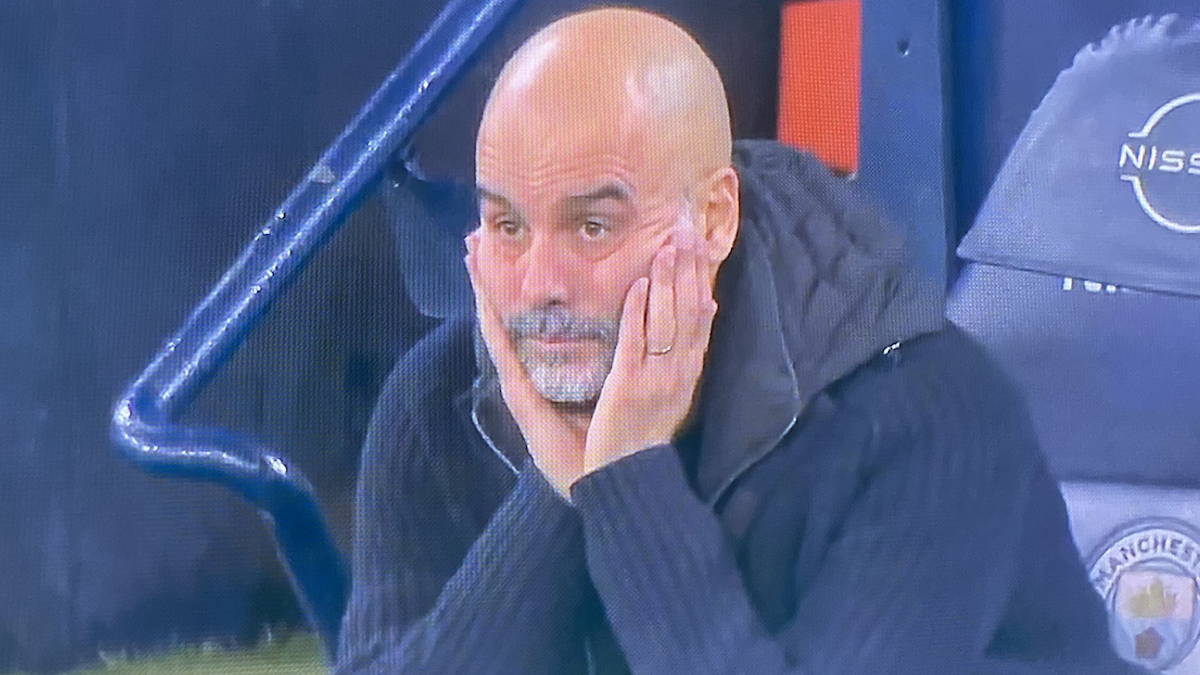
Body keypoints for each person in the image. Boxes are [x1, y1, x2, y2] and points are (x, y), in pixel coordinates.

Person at [334, 7, 1142, 674]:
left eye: (592, 226)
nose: (539, 283)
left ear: (715, 219)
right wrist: (559, 482)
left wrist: (625, 477)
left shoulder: (930, 416)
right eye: (507, 225)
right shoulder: (435, 405)